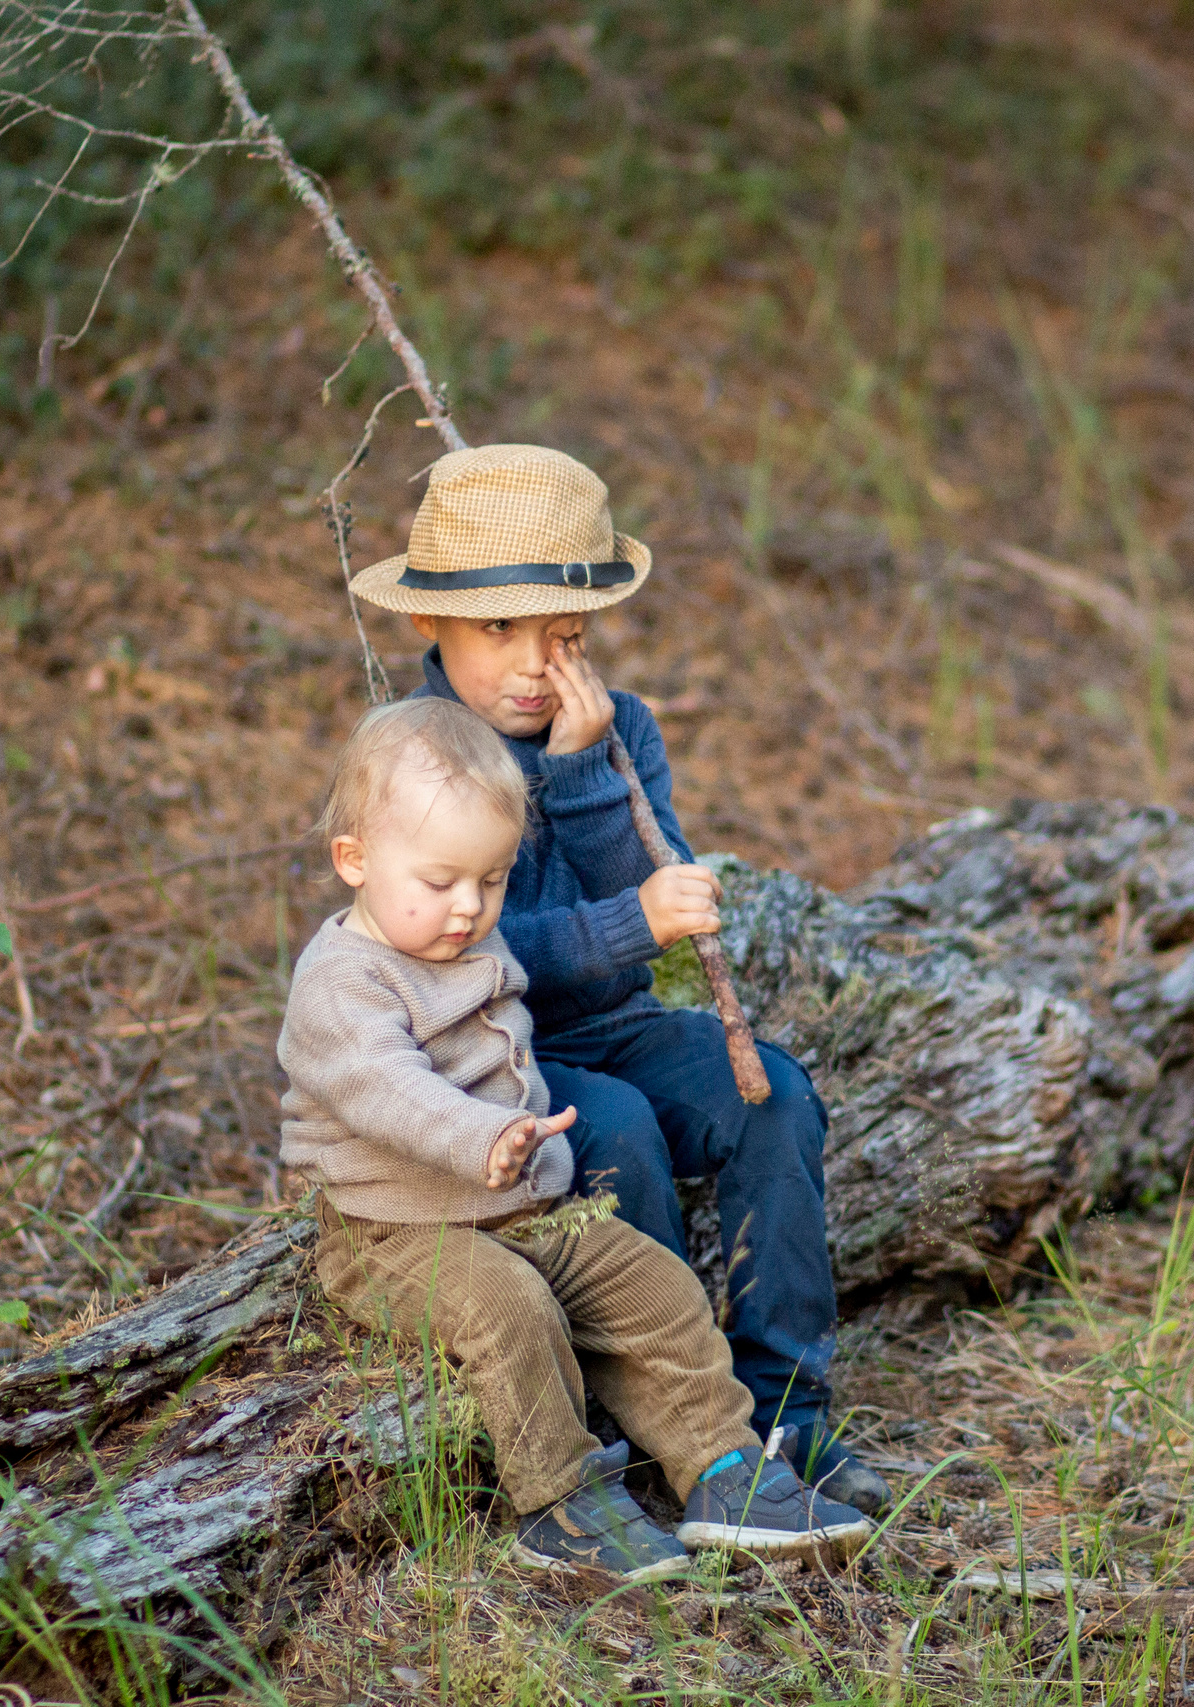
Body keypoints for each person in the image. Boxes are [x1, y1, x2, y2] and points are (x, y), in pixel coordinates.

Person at [347, 442, 892, 1517]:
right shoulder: (413, 759)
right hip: (487, 1054)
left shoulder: (617, 728)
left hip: (612, 1023)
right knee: (616, 1129)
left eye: (564, 633)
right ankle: (659, 1418)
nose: (532, 664)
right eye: (497, 628)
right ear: (429, 625)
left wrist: (587, 776)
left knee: (768, 1097)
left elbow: (654, 908)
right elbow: (440, 952)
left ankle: (786, 1405)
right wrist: (622, 924)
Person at [279, 695, 873, 1581]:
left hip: (512, 1204)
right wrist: (487, 1135)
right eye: (441, 883)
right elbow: (385, 1090)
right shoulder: (343, 980)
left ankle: (725, 1468)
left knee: (651, 1287)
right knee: (508, 1309)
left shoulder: (464, 938)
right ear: (353, 860)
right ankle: (561, 1501)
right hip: (392, 1228)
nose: (468, 908)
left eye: (492, 882)